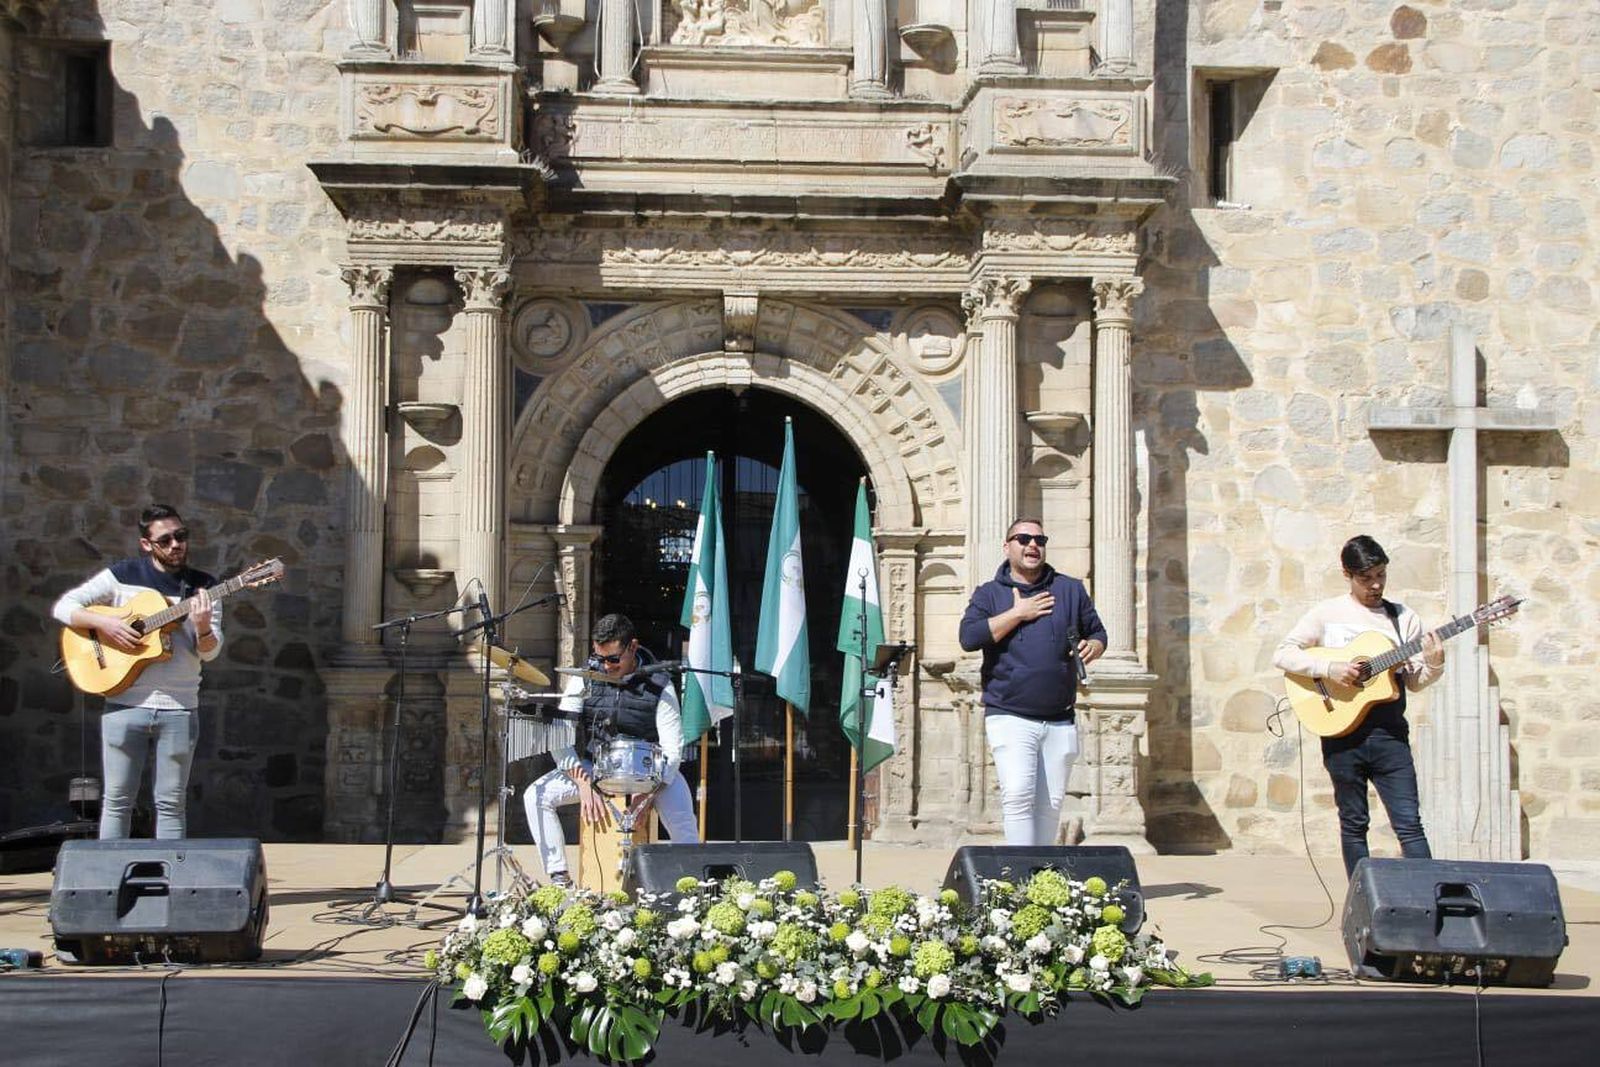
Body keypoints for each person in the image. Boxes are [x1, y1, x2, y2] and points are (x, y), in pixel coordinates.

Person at [1273, 534, 1444, 876]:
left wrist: (1434, 663)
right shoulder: (1327, 614)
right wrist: (1330, 668)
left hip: (1389, 735)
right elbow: (1283, 653)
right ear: (1347, 575)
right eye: (1366, 579)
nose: (1375, 585)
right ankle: (1362, 901)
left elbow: (1412, 682)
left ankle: (1428, 898)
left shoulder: (1403, 619)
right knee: (1353, 823)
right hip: (1341, 735)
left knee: (1409, 823)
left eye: (1380, 575)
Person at [51, 505, 222, 840]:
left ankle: (169, 882)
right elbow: (64, 607)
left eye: (181, 536)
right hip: (124, 704)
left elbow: (211, 652)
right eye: (166, 539)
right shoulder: (123, 575)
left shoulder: (204, 587)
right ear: (147, 544)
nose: (176, 544)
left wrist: (202, 628)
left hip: (180, 707)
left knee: (171, 802)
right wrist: (107, 624)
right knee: (117, 801)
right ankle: (108, 883)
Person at [959, 518, 1107, 846]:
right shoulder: (989, 594)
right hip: (1009, 713)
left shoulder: (1069, 589)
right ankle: (1021, 877)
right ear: (1007, 546)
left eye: (1040, 540)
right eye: (1023, 538)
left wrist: (1094, 645)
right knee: (1017, 796)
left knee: (1051, 804)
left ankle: (1041, 874)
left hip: (1059, 716)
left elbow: (1097, 632)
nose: (1032, 546)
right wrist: (1018, 613)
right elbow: (969, 637)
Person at [523, 613, 699, 886]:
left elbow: (672, 749)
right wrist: (581, 781)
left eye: (613, 659)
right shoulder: (583, 678)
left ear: (632, 647)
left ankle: (690, 886)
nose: (605, 667)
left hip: (649, 769)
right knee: (536, 795)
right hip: (597, 766)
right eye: (599, 658)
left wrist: (651, 792)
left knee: (682, 817)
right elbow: (560, 736)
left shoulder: (660, 685)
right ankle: (560, 878)